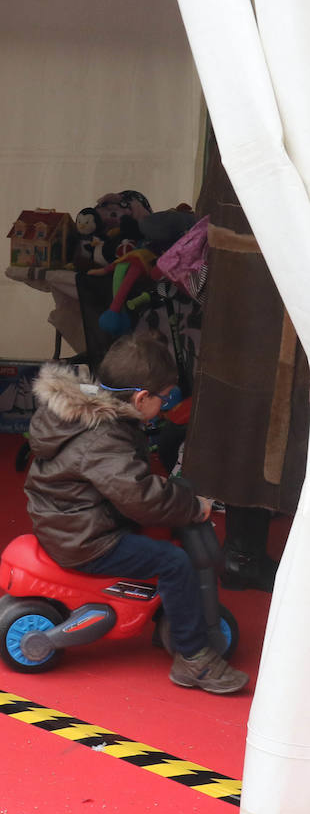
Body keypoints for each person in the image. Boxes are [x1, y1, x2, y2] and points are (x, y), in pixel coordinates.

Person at [25, 335, 248, 695]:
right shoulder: (103, 438)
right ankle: (193, 659)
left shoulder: (94, 413)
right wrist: (193, 507)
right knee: (175, 562)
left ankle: (172, 622)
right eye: (166, 397)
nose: (165, 405)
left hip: (72, 518)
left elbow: (126, 481)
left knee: (165, 529)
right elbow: (140, 497)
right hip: (86, 537)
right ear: (142, 398)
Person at [182, 147, 306, 592]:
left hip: (253, 281)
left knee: (247, 426)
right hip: (259, 287)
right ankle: (243, 555)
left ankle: (242, 553)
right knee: (251, 427)